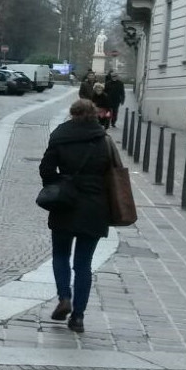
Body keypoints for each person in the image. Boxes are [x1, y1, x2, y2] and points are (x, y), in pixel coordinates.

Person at [39, 98, 112, 333]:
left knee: (60, 254)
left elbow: (46, 169)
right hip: (94, 206)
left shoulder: (60, 135)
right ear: (95, 115)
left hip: (65, 204)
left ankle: (64, 297)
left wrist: (58, 184)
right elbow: (112, 174)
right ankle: (78, 317)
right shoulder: (104, 140)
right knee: (83, 264)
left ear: (72, 114)